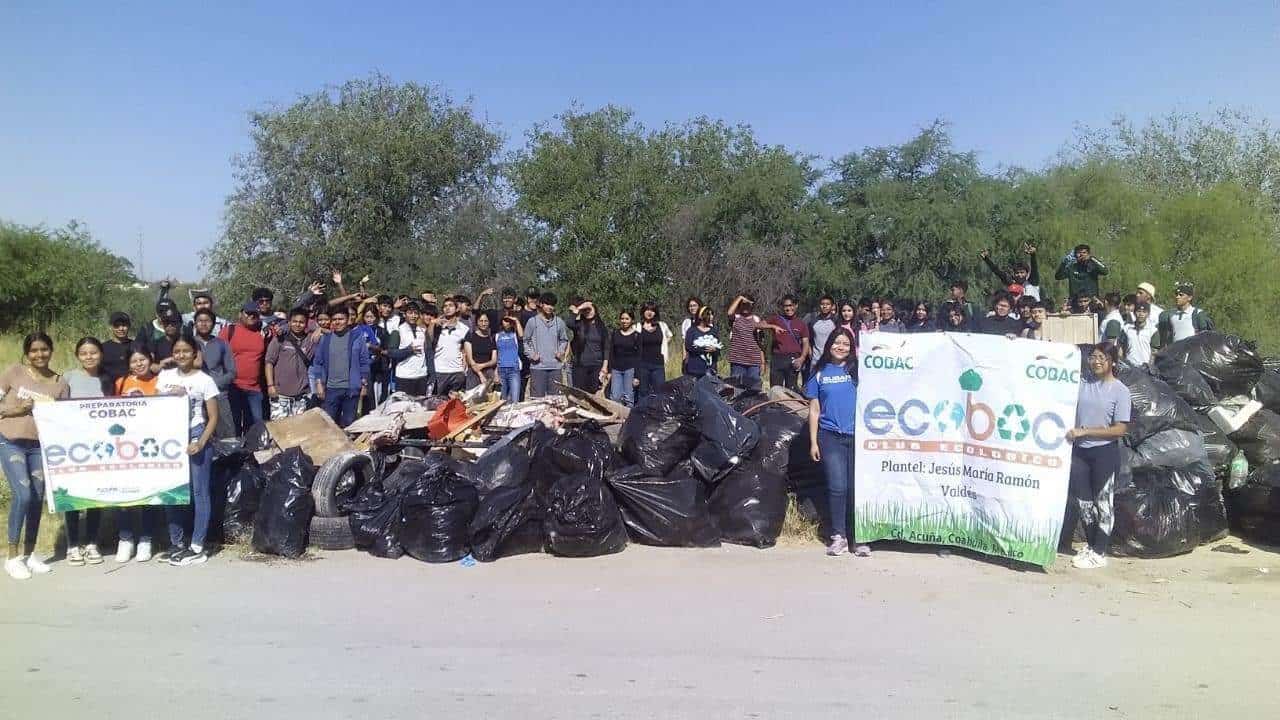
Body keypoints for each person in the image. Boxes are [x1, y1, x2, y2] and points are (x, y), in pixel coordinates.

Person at [1, 333, 69, 580]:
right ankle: (12, 557)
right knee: (24, 494)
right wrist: (16, 409)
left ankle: (29, 554)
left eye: (44, 350)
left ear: (51, 351)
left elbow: (66, 419)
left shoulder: (60, 383)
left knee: (38, 497)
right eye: (34, 350)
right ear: (27, 353)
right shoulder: (13, 373)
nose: (39, 355)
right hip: (10, 442)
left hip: (40, 446)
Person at [1063, 344, 1131, 570]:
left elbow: (1120, 429)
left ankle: (1101, 551)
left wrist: (1086, 431)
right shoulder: (1083, 385)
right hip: (1080, 452)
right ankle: (1091, 546)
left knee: (1103, 503)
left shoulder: (1120, 390)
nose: (1096, 361)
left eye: (1102, 357)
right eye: (1092, 357)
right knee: (1083, 503)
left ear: (1112, 362)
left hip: (1104, 453)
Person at [155, 335, 220, 567]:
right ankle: (177, 543)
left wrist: (201, 442)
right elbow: (154, 406)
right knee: (172, 491)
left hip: (195, 434)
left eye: (186, 351)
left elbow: (213, 417)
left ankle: (197, 546)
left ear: (195, 354)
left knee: (200, 493)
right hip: (169, 438)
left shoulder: (204, 380)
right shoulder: (164, 377)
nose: (181, 355)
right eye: (177, 351)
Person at [805, 329, 866, 558]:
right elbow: (814, 408)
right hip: (830, 436)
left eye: (846, 344)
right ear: (829, 344)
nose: (841, 347)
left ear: (852, 348)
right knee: (838, 487)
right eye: (837, 343)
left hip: (857, 437)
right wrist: (813, 441)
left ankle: (859, 538)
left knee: (855, 489)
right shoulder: (819, 372)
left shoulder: (858, 370)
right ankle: (838, 536)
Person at [61, 338, 115, 567]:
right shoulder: (68, 378)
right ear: (77, 355)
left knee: (94, 495)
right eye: (84, 353)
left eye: (93, 352)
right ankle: (72, 545)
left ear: (100, 354)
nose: (89, 356)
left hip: (99, 446)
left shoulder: (108, 379)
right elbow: (56, 408)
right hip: (72, 446)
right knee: (73, 495)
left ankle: (92, 542)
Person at [113, 348, 160, 561]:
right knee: (124, 493)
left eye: (143, 359)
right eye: (134, 361)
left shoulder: (161, 382)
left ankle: (146, 539)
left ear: (150, 360)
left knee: (148, 494)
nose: (139, 364)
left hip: (151, 446)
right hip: (125, 446)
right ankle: (125, 538)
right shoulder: (121, 383)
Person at [313, 306, 371, 427]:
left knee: (349, 424)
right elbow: (318, 363)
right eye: (334, 319)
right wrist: (319, 384)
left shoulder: (357, 338)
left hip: (351, 389)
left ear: (348, 319)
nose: (337, 322)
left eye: (341, 318)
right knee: (329, 425)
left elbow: (364, 362)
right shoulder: (326, 339)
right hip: (331, 389)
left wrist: (364, 384)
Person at [218, 301, 269, 433]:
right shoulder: (229, 331)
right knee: (232, 425)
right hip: (232, 387)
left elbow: (285, 325)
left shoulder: (263, 332)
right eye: (248, 313)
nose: (251, 316)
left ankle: (250, 453)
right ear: (240, 314)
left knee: (255, 425)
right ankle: (234, 453)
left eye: (255, 314)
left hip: (254, 389)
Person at [191, 308, 238, 438]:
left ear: (213, 323)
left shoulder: (222, 344)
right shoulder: (189, 343)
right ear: (195, 323)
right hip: (195, 397)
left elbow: (232, 372)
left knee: (227, 434)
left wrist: (214, 385)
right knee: (199, 435)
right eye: (200, 321)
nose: (204, 324)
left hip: (219, 395)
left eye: (207, 321)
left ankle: (229, 458)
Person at [265, 308, 314, 419]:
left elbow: (322, 326)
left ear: (306, 324)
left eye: (301, 322)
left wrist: (319, 330)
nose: (298, 325)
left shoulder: (310, 340)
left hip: (301, 395)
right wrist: (270, 386)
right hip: (280, 394)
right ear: (289, 322)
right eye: (294, 321)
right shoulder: (280, 339)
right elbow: (269, 362)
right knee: (280, 430)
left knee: (299, 431)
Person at [524, 293, 570, 398]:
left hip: (555, 367)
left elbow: (564, 340)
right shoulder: (532, 322)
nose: (550, 307)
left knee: (555, 401)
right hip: (538, 367)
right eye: (547, 304)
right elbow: (526, 341)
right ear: (541, 304)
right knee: (537, 399)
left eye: (552, 305)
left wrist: (561, 351)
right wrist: (531, 355)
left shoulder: (559, 322)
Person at [766, 295, 811, 392]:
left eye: (791, 305)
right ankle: (775, 406)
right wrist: (772, 326)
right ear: (782, 307)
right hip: (778, 358)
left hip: (793, 358)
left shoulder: (801, 323)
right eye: (786, 306)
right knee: (775, 389)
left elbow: (806, 342)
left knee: (791, 389)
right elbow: (758, 324)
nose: (788, 308)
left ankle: (790, 407)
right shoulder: (776, 319)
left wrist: (802, 358)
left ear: (796, 306)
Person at [388, 303, 433, 397]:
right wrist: (409, 350)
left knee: (419, 408)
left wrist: (431, 373)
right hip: (404, 377)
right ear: (404, 314)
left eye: (415, 313)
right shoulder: (397, 330)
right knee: (404, 407)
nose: (413, 316)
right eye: (410, 313)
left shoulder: (423, 331)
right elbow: (391, 353)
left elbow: (428, 352)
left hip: (421, 376)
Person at [567, 299, 610, 393]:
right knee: (579, 394)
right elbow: (569, 323)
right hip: (580, 365)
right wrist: (578, 309)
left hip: (596, 366)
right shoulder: (579, 325)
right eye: (585, 310)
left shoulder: (601, 327)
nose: (587, 311)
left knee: (592, 395)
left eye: (589, 309)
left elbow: (606, 348)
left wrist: (605, 367)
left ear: (595, 310)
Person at [431, 298, 470, 396]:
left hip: (457, 371)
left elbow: (465, 350)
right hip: (440, 371)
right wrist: (432, 324)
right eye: (445, 306)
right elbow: (428, 341)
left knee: (456, 404)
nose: (447, 308)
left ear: (457, 309)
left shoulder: (464, 329)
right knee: (438, 403)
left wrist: (464, 366)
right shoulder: (437, 326)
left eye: (450, 305)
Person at [726, 294, 765, 391]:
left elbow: (759, 342)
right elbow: (729, 312)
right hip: (738, 361)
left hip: (753, 362)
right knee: (736, 389)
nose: (746, 306)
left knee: (754, 389)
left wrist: (763, 362)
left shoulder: (756, 319)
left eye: (748, 304)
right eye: (743, 304)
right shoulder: (736, 317)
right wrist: (739, 298)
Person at [353, 305, 388, 414]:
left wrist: (373, 347)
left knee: (377, 394)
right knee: (366, 395)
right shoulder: (358, 330)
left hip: (377, 367)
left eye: (372, 317)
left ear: (377, 317)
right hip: (362, 367)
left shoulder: (381, 331)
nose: (369, 320)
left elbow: (385, 349)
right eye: (367, 317)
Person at [1157, 283, 1214, 348]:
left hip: (1193, 352)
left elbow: (1207, 336)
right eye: (1176, 294)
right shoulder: (1170, 315)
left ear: (1189, 298)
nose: (1177, 297)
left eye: (1181, 295)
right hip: (1175, 353)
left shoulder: (1198, 314)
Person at [604, 310, 641, 406]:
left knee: (628, 397)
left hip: (630, 369)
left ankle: (628, 419)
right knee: (615, 397)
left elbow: (639, 356)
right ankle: (616, 419)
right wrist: (609, 371)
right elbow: (611, 352)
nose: (624, 321)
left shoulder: (637, 335)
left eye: (627, 319)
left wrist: (637, 376)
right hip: (616, 369)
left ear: (632, 320)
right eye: (622, 319)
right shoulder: (615, 333)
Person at [636, 302, 672, 400]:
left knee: (660, 391)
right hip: (643, 364)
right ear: (643, 311)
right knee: (643, 392)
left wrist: (664, 345)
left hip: (658, 364)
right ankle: (642, 414)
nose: (649, 312)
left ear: (655, 312)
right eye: (647, 310)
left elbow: (669, 336)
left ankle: (658, 414)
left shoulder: (662, 325)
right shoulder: (638, 326)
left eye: (652, 310)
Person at [464, 312, 498, 390]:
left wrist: (482, 365)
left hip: (488, 372)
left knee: (489, 400)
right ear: (477, 322)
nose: (483, 323)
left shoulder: (491, 338)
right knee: (472, 399)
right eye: (481, 321)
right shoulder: (470, 336)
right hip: (473, 373)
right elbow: (470, 360)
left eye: (486, 321)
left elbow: (494, 360)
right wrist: (480, 375)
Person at [805, 296, 837, 377]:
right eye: (822, 304)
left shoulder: (836, 321)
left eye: (827, 304)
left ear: (832, 306)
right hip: (816, 360)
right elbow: (807, 337)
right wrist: (809, 350)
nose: (825, 306)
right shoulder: (813, 321)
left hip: (832, 360)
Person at [684, 307, 721, 378]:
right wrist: (704, 348)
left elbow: (718, 349)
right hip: (694, 370)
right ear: (701, 316)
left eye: (712, 314)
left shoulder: (714, 331)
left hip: (710, 370)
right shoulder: (692, 331)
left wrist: (715, 350)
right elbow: (688, 347)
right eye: (708, 314)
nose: (711, 317)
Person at [101, 311, 136, 384]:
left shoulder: (136, 346)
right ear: (111, 327)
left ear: (129, 326)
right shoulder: (102, 348)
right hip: (109, 389)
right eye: (117, 326)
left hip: (131, 388)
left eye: (124, 325)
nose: (121, 329)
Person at [494, 315, 523, 402]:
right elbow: (495, 354)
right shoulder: (496, 336)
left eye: (509, 321)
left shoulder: (515, 335)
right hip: (501, 370)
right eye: (505, 320)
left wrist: (516, 320)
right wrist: (496, 372)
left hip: (514, 370)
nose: (507, 323)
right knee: (502, 400)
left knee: (514, 399)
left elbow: (521, 335)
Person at [1124, 302, 1159, 367]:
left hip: (1144, 368)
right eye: (1138, 311)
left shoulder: (1153, 330)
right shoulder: (1126, 328)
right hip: (1128, 366)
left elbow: (1154, 352)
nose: (1141, 314)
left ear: (1148, 314)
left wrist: (1150, 367)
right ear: (1134, 313)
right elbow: (1120, 347)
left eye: (1144, 312)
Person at [679, 296, 703, 373]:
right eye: (690, 306)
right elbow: (684, 342)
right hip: (690, 357)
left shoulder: (706, 321)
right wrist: (684, 359)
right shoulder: (686, 322)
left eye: (694, 305)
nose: (692, 308)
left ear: (699, 306)